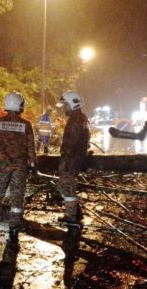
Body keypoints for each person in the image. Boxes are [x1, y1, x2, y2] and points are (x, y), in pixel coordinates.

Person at [0, 91, 36, 243]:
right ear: (18, 105)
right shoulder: (26, 125)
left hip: (2, 166)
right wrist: (33, 164)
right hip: (19, 168)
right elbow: (31, 148)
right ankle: (13, 232)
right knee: (17, 199)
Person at [55, 90, 90, 224]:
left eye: (66, 105)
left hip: (71, 160)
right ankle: (76, 213)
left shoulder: (75, 120)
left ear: (72, 104)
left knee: (65, 187)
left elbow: (71, 143)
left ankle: (71, 216)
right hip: (76, 159)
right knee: (66, 186)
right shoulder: (82, 118)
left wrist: (65, 161)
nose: (64, 107)